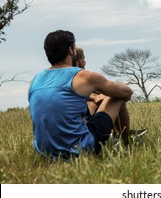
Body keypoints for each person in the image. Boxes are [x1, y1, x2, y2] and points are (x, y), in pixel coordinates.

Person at [28, 30, 133, 160]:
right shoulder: (83, 76)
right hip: (80, 149)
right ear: (70, 50)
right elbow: (127, 92)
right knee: (118, 97)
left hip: (44, 152)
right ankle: (128, 143)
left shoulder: (35, 80)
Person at [73, 46, 147, 138]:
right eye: (83, 58)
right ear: (77, 61)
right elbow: (126, 92)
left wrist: (98, 96)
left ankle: (116, 133)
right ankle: (126, 138)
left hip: (74, 127)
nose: (85, 62)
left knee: (96, 95)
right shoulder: (83, 78)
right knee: (117, 97)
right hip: (84, 129)